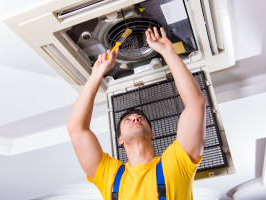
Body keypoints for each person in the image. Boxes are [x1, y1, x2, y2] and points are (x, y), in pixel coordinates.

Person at [67, 27, 206, 200]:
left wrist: (168, 52)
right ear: (120, 140)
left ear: (153, 134)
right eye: (128, 119)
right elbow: (76, 128)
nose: (135, 118)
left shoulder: (176, 164)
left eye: (140, 119)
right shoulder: (109, 176)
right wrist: (96, 74)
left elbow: (196, 105)